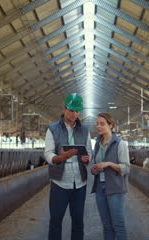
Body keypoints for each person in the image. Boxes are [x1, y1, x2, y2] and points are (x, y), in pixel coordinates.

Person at [44, 93, 92, 240]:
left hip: (80, 183)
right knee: (56, 220)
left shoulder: (84, 130)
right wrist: (61, 157)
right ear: (64, 108)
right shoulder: (52, 129)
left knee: (78, 221)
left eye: (77, 111)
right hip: (60, 182)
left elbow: (89, 152)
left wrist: (86, 159)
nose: (74, 114)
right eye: (71, 110)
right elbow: (48, 154)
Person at [91, 113, 130, 240]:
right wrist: (95, 169)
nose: (98, 126)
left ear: (111, 125)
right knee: (106, 225)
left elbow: (126, 168)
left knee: (118, 224)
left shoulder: (120, 144)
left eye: (102, 124)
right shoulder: (97, 143)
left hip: (115, 188)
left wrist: (108, 164)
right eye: (97, 124)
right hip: (100, 188)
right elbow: (96, 164)